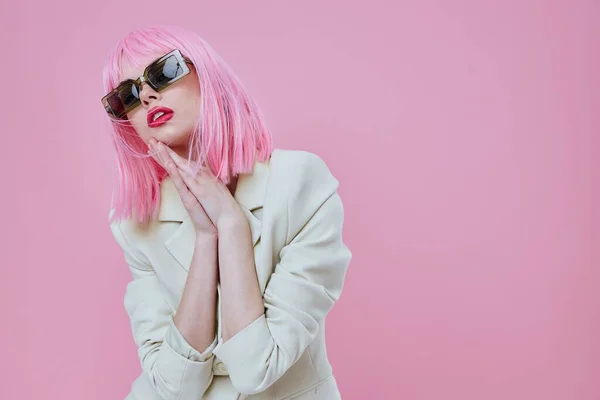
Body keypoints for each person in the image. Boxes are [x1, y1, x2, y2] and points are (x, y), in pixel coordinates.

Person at [103, 25, 352, 400]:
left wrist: (231, 223)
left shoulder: (299, 184)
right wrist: (207, 237)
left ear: (207, 75)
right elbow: (175, 387)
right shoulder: (134, 224)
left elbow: (257, 369)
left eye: (163, 72)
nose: (149, 96)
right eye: (128, 96)